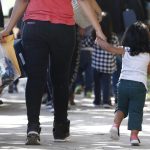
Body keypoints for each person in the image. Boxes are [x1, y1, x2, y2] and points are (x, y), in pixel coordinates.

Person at [0, 0, 106, 145]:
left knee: (35, 79)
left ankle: (33, 128)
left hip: (34, 26)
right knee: (60, 79)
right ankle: (61, 129)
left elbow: (23, 1)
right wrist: (98, 29)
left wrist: (8, 28)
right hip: (63, 29)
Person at [97, 21, 150, 146]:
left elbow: (110, 48)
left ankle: (115, 125)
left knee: (121, 107)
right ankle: (133, 137)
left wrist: (100, 40)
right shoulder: (148, 55)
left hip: (123, 84)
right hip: (139, 86)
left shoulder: (125, 50)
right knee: (135, 111)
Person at [81, 12, 119, 108]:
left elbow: (85, 44)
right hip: (108, 65)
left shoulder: (94, 35)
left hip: (96, 65)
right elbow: (116, 49)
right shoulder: (113, 36)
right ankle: (106, 101)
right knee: (106, 84)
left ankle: (97, 101)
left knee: (96, 83)